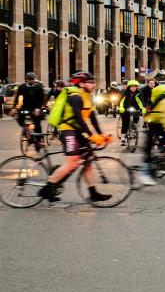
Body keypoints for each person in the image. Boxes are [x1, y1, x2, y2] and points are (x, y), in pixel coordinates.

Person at [36, 72, 111, 203]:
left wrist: (101, 134)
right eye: (90, 82)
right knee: (72, 161)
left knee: (88, 159)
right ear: (81, 84)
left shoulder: (87, 96)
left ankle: (93, 193)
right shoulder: (76, 97)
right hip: (67, 130)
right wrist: (92, 135)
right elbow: (78, 118)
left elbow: (92, 117)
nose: (93, 84)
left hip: (76, 130)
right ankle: (47, 188)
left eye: (93, 82)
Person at [13, 72, 46, 138]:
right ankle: (26, 129)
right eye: (30, 79)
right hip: (25, 107)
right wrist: (14, 108)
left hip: (36, 107)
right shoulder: (22, 87)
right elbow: (18, 98)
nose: (31, 80)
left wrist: (38, 108)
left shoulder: (39, 87)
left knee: (37, 122)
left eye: (33, 79)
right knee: (19, 118)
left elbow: (42, 99)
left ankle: (40, 139)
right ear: (26, 79)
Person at [117, 80, 145, 147]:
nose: (133, 88)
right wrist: (121, 108)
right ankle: (123, 138)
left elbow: (141, 101)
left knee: (136, 120)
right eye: (132, 87)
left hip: (135, 108)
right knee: (125, 122)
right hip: (125, 108)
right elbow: (121, 101)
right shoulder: (125, 92)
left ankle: (133, 129)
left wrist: (143, 108)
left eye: (135, 87)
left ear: (136, 87)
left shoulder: (139, 93)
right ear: (129, 87)